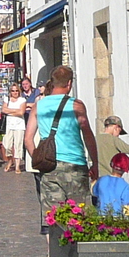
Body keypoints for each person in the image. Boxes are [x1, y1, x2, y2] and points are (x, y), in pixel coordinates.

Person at [24, 65, 99, 229]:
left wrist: (38, 157)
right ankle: (77, 251)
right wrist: (95, 163)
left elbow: (28, 139)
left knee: (54, 218)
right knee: (79, 217)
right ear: (69, 84)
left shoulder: (39, 106)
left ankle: (56, 253)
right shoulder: (76, 105)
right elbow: (87, 134)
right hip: (75, 166)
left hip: (49, 166)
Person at [96, 116, 129, 197]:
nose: (118, 135)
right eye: (119, 131)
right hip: (111, 179)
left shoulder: (95, 139)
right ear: (115, 127)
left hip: (97, 179)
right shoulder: (115, 140)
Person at [0, 84, 30, 172]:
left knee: (18, 145)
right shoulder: (7, 99)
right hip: (9, 125)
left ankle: (17, 166)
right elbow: (3, 110)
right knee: (7, 145)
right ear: (10, 92)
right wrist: (15, 111)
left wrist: (10, 111)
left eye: (16, 90)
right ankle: (10, 160)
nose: (15, 92)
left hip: (19, 125)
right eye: (13, 91)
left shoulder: (22, 100)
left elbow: (21, 112)